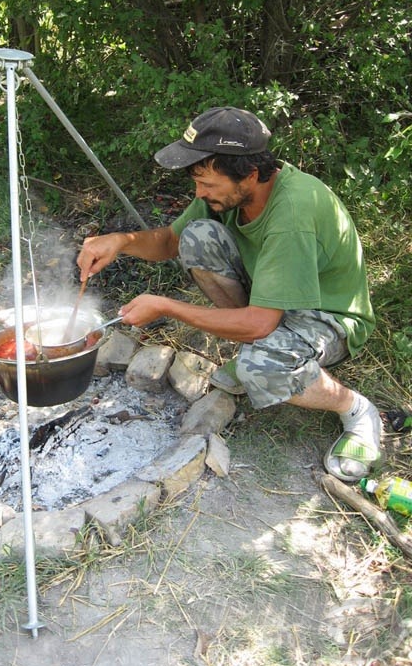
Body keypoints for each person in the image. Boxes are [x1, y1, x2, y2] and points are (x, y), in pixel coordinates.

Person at [76, 106, 382, 483]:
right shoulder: (229, 189)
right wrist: (120, 241)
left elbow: (259, 322)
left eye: (207, 184)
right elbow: (171, 241)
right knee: (197, 237)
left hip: (328, 317)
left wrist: (167, 307)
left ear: (249, 174)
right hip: (273, 298)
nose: (199, 193)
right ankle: (265, 347)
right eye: (197, 182)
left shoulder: (293, 214)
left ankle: (356, 410)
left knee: (262, 368)